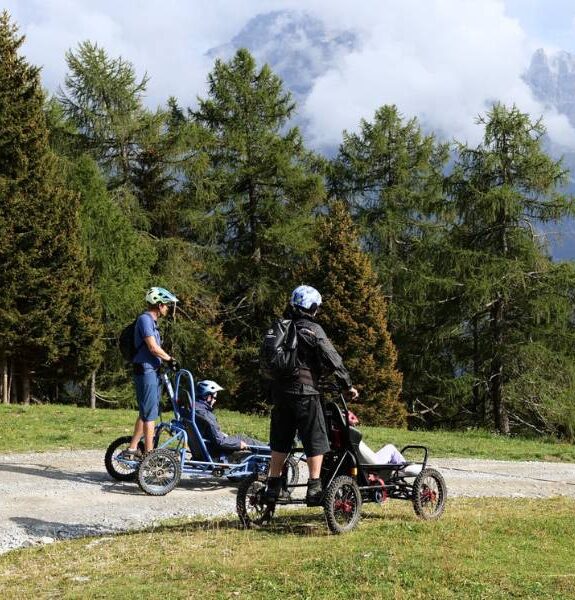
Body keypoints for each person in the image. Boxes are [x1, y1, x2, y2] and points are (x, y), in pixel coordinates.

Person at [264, 285, 359, 505]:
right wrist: (347, 385)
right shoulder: (312, 329)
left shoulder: (282, 327)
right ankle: (315, 487)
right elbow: (332, 357)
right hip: (305, 393)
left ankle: (273, 485)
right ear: (313, 307)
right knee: (316, 438)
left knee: (280, 440)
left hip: (279, 393)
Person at [121, 287, 179, 459]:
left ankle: (132, 449)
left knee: (146, 412)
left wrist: (165, 361)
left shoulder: (152, 322)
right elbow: (153, 347)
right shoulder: (145, 320)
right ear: (159, 305)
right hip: (145, 371)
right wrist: (170, 360)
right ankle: (150, 454)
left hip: (151, 371)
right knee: (150, 416)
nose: (168, 308)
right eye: (167, 305)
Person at [192, 380, 267, 455]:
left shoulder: (192, 409)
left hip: (204, 448)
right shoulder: (206, 415)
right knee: (247, 441)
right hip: (214, 451)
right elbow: (220, 442)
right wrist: (238, 444)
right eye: (214, 398)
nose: (215, 401)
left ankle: (267, 447)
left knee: (240, 437)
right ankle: (270, 452)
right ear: (208, 397)